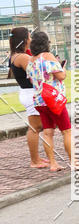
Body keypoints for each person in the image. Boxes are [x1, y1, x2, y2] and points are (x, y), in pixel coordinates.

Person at [26, 30, 71, 172]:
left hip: (39, 101)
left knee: (47, 133)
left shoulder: (31, 61)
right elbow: (61, 76)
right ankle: (74, 161)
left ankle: (53, 163)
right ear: (46, 43)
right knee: (66, 131)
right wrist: (62, 68)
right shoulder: (48, 56)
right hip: (53, 100)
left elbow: (33, 79)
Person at [7, 27, 49, 169]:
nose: (31, 40)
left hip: (28, 93)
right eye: (29, 37)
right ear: (24, 40)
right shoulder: (23, 57)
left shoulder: (16, 55)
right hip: (31, 94)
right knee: (35, 128)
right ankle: (34, 161)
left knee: (37, 126)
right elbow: (38, 74)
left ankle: (36, 158)